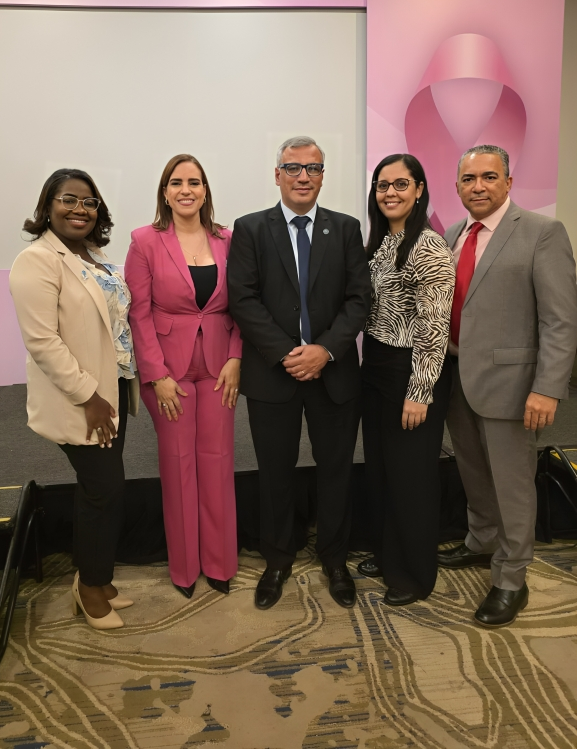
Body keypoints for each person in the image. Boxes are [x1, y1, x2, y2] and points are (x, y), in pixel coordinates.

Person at [227, 136, 372, 610]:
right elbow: (243, 299)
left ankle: (335, 560)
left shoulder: (346, 228)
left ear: (323, 176)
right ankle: (277, 559)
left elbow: (358, 300)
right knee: (275, 474)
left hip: (334, 374)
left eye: (313, 169)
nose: (303, 177)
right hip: (273, 374)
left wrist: (324, 351)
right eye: (293, 168)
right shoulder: (250, 229)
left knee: (336, 471)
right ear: (277, 175)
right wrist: (288, 353)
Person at [439, 144, 577, 627]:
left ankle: (511, 578)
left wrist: (548, 388)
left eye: (489, 177)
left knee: (513, 484)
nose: (478, 186)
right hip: (456, 378)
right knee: (474, 471)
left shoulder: (542, 232)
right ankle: (481, 543)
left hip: (516, 386)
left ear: (509, 182)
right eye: (469, 178)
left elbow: (561, 321)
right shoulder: (453, 234)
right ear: (457, 186)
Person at [10, 169, 139, 630]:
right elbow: (43, 342)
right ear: (48, 205)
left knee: (103, 489)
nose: (80, 209)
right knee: (102, 490)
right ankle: (88, 590)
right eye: (69, 200)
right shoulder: (37, 260)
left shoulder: (93, 255)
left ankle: (98, 578)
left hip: (114, 388)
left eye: (89, 202)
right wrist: (90, 396)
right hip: (84, 397)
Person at [125, 154, 242, 599]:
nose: (186, 189)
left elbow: (243, 305)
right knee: (179, 467)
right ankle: (185, 569)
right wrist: (156, 375)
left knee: (218, 462)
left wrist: (236, 357)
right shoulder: (145, 241)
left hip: (219, 367)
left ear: (205, 190)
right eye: (177, 182)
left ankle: (219, 563)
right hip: (168, 373)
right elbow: (138, 313)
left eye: (194, 181)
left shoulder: (229, 239)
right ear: (165, 192)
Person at [357, 154, 455, 606]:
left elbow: (435, 330)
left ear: (419, 189)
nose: (390, 193)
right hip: (375, 367)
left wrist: (420, 393)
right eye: (382, 185)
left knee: (411, 476)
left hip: (410, 371)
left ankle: (414, 575)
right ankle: (386, 551)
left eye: (400, 184)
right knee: (381, 470)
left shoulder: (430, 247)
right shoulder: (380, 242)